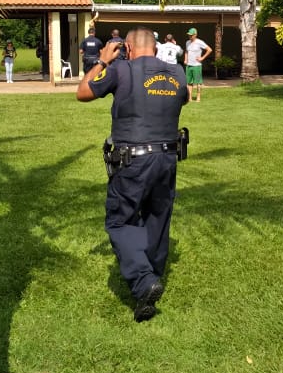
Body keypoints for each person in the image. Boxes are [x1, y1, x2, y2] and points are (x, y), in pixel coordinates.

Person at [76, 27, 189, 322]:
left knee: (120, 220)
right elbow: (185, 97)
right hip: (167, 157)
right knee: (157, 219)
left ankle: (143, 281)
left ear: (127, 47)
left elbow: (83, 92)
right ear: (156, 47)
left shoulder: (121, 70)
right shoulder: (177, 72)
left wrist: (102, 60)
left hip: (133, 161)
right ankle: (151, 280)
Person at [184, 27, 212, 102]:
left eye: (191, 35)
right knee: (189, 82)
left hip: (197, 65)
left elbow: (209, 50)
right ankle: (189, 97)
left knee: (198, 82)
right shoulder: (187, 42)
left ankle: (198, 97)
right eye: (189, 35)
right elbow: (186, 51)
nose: (189, 36)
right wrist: (185, 59)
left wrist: (202, 58)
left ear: (195, 35)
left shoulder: (200, 42)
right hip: (189, 65)